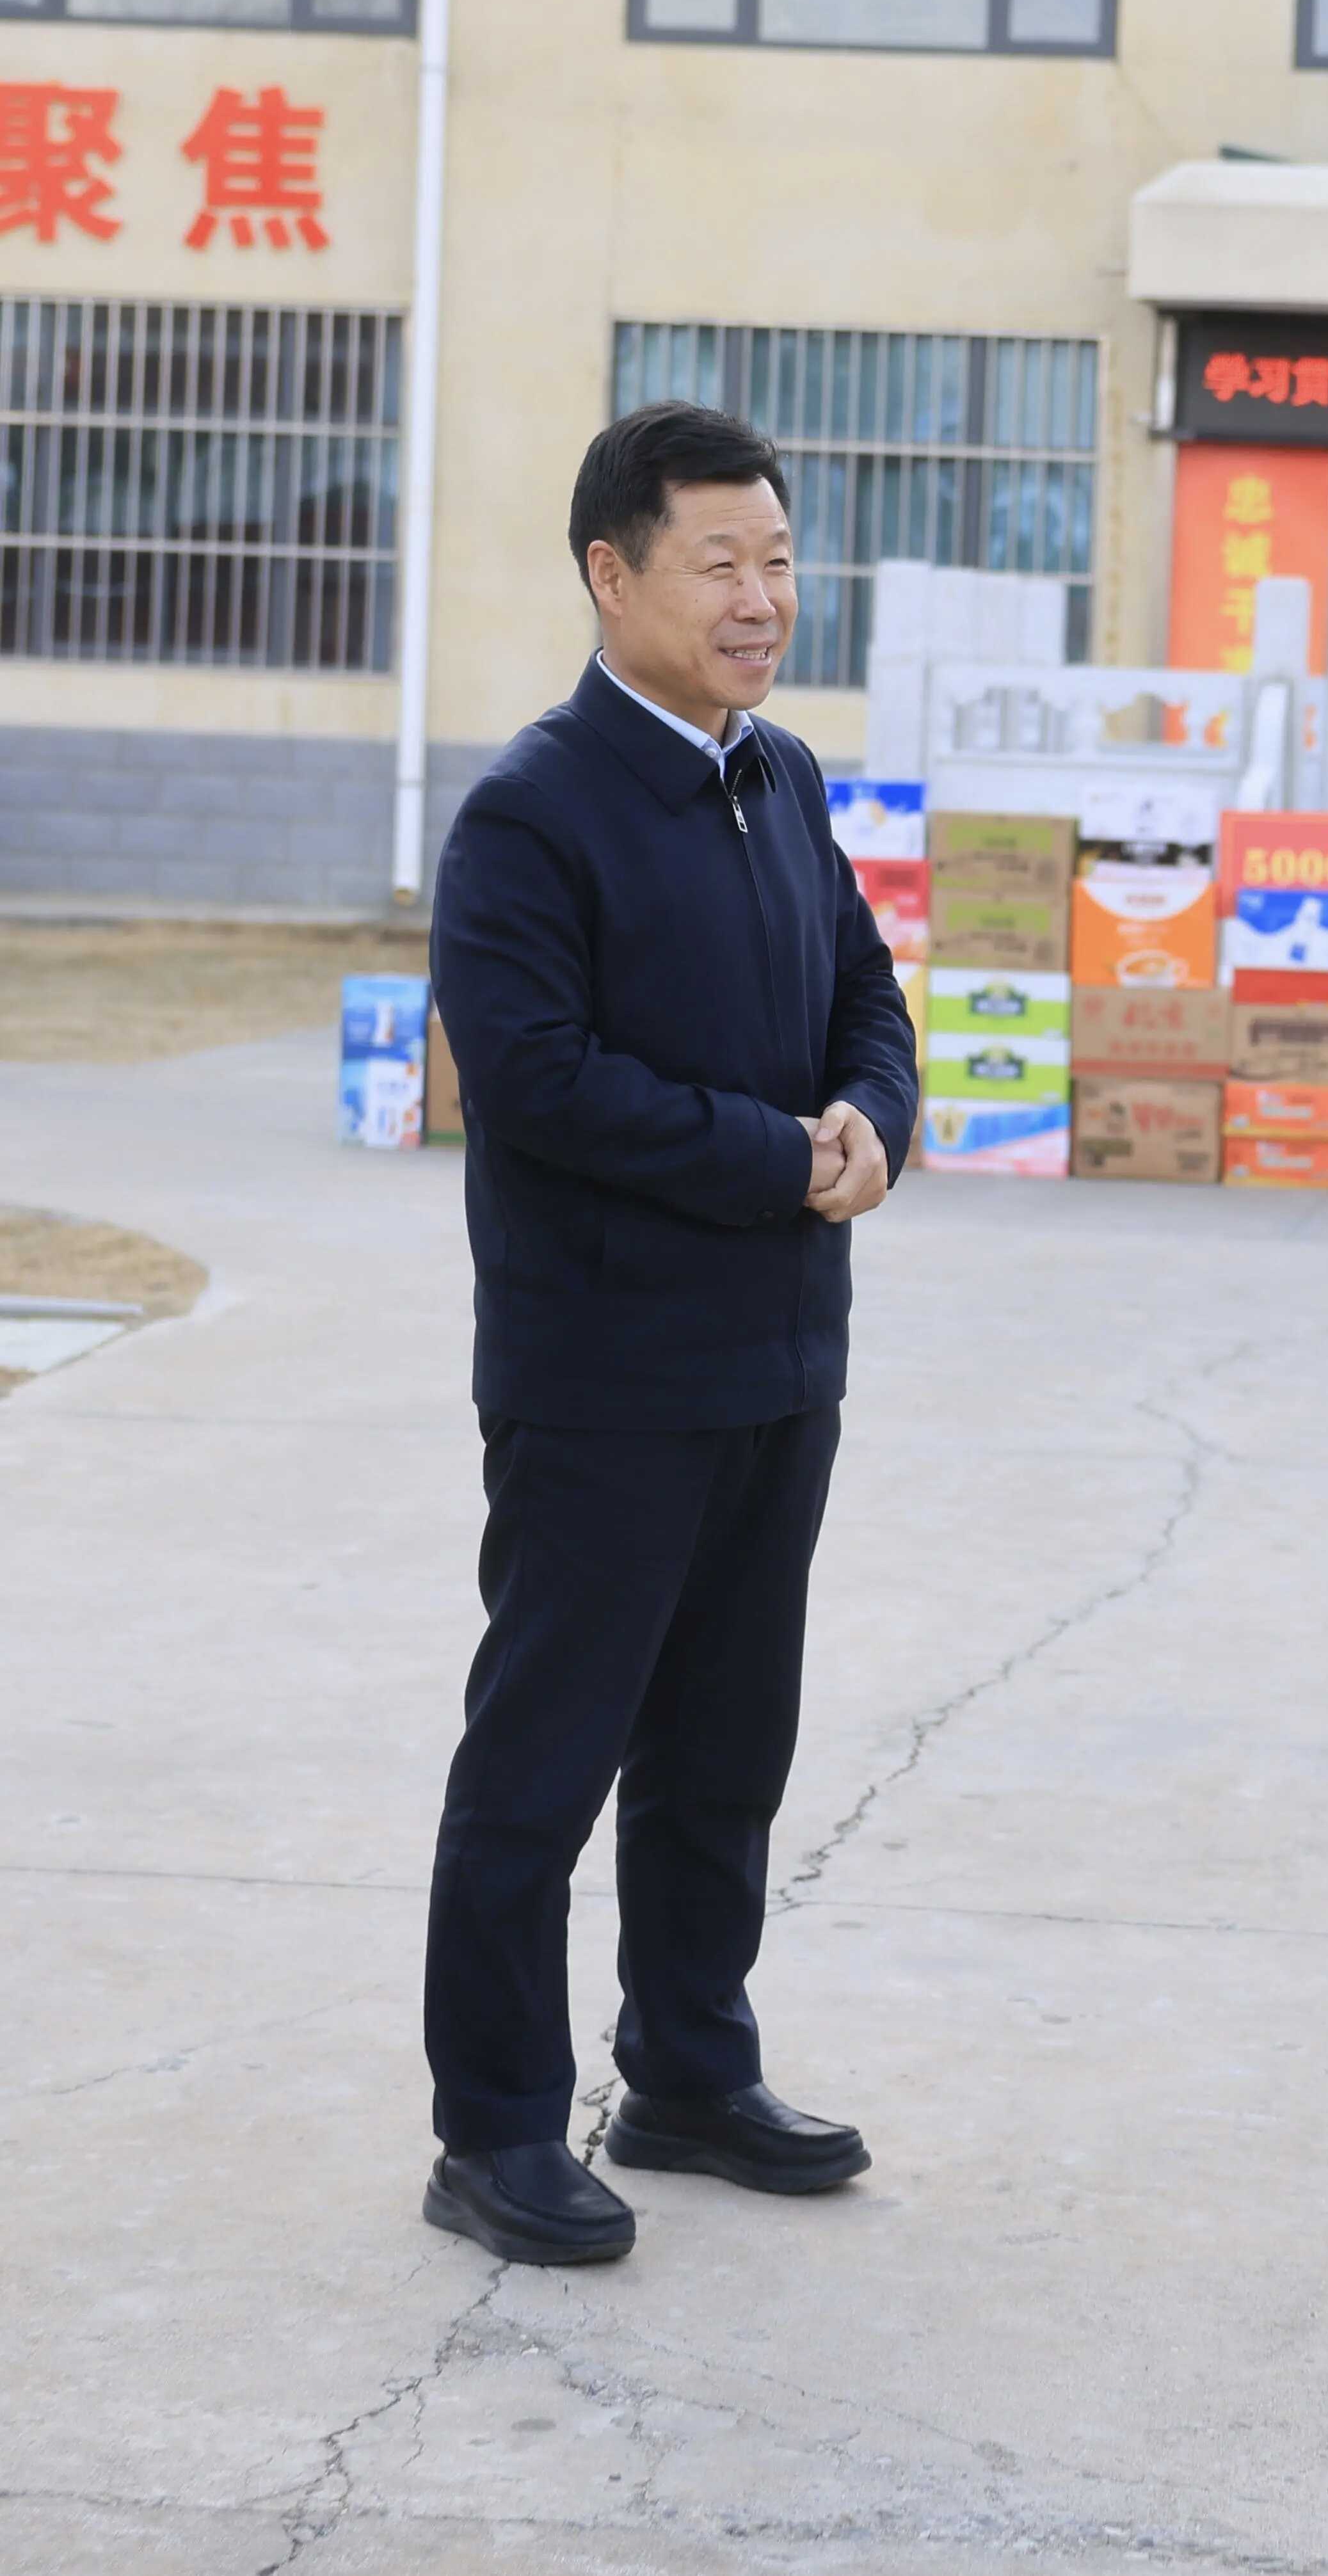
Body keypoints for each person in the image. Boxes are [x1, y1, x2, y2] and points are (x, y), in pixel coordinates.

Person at [419, 401, 920, 2266]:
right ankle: (493, 2126)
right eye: (720, 562)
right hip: (606, 1380)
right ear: (610, 575)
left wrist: (874, 1115)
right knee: (543, 1762)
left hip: (780, 1363)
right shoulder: (532, 813)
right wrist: (779, 1156)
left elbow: (866, 992)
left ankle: (691, 2073)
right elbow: (537, 1085)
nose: (761, 598)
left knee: (726, 1753)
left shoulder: (780, 779)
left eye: (779, 561)